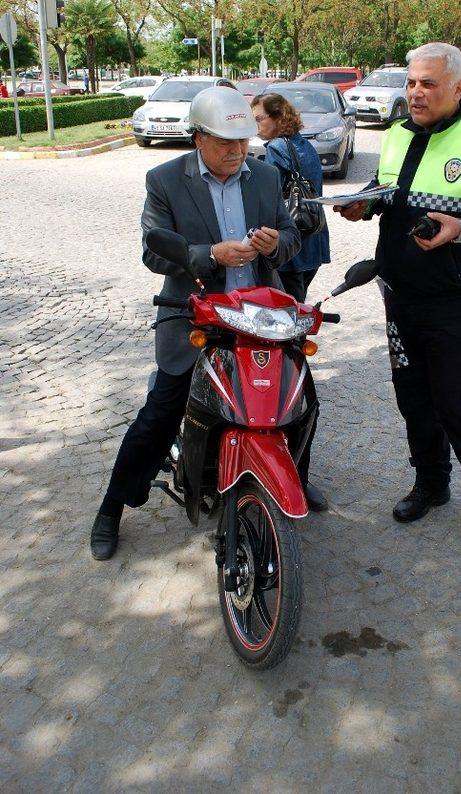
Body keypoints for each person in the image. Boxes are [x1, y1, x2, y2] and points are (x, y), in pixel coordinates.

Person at [90, 87, 326, 562]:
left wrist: (273, 243)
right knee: (161, 411)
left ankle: (293, 476)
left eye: (243, 141)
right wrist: (209, 255)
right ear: (197, 137)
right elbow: (154, 251)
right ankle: (112, 508)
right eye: (225, 143)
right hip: (194, 313)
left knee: (298, 398)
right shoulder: (164, 180)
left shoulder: (262, 175)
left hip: (257, 314)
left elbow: (289, 240)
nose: (237, 151)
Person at [336, 42, 461, 547]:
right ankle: (432, 483)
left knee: (458, 403)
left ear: (457, 88)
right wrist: (366, 207)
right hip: (400, 297)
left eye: (427, 83)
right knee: (414, 401)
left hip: (458, 302)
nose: (416, 93)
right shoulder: (399, 134)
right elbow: (393, 197)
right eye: (411, 82)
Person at [251, 92, 330, 302]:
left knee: (287, 311)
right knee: (296, 302)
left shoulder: (276, 148)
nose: (255, 125)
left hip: (292, 245)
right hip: (313, 236)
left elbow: (268, 198)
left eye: (259, 119)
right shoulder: (304, 144)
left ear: (277, 117)